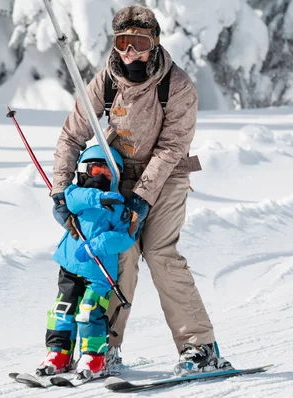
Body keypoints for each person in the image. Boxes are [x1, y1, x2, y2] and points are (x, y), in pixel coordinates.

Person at [50, 5, 231, 375]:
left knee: (160, 254)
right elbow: (72, 134)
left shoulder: (177, 85)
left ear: (155, 42)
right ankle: (103, 345)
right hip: (119, 178)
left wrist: (143, 197)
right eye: (123, 43)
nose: (130, 52)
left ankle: (200, 347)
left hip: (166, 178)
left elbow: (171, 148)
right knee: (120, 256)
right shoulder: (107, 80)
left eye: (139, 42)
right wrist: (60, 190)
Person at [38, 144, 139, 379]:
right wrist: (99, 198)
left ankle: (93, 355)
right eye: (96, 171)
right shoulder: (76, 195)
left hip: (99, 272)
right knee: (62, 310)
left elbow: (124, 238)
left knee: (88, 312)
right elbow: (72, 200)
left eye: (108, 173)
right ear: (84, 171)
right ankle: (58, 353)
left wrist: (97, 245)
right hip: (70, 266)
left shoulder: (119, 207)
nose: (102, 177)